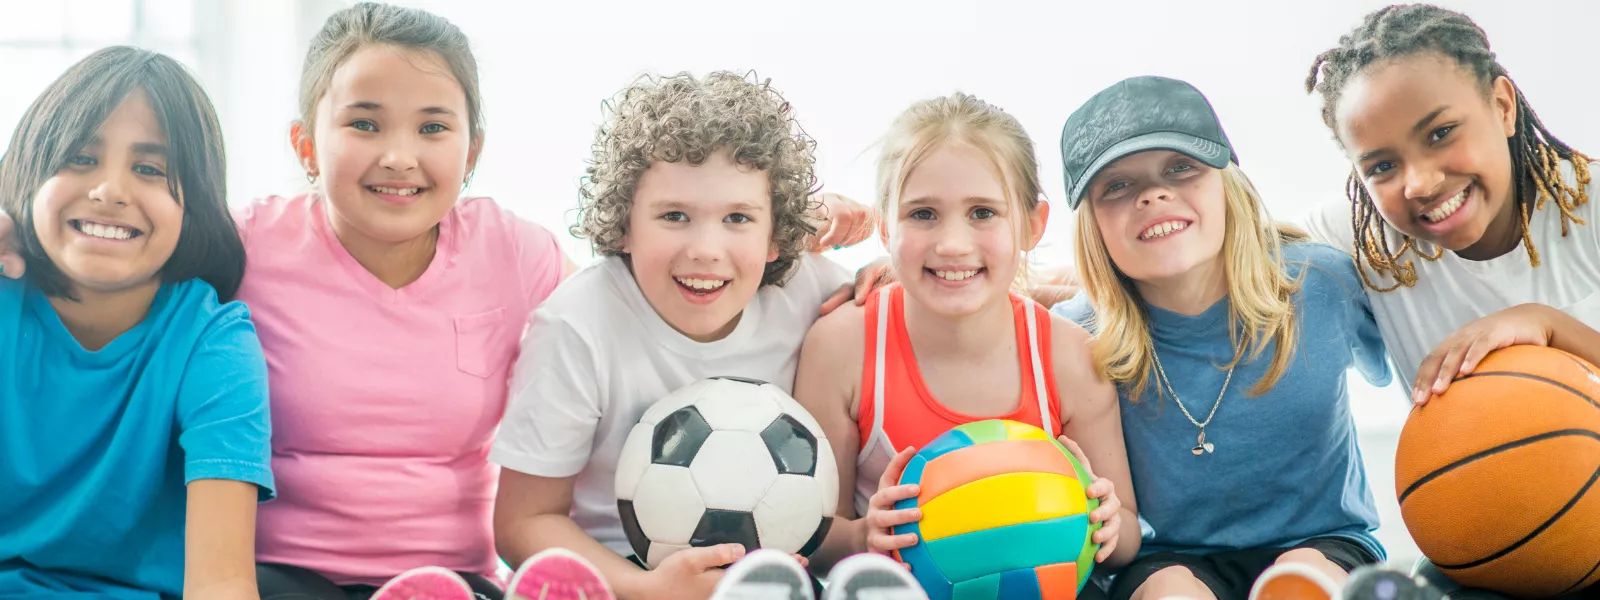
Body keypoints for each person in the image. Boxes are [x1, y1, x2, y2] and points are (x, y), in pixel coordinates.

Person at [0, 46, 273, 600]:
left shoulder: (213, 343)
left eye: (149, 169)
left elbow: (221, 582)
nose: (109, 191)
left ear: (196, 205)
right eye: (80, 158)